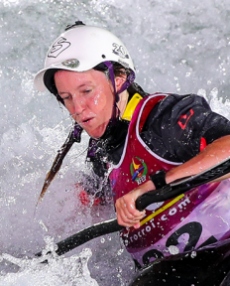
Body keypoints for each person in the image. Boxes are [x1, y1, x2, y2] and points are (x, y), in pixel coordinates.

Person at [34, 21, 230, 284]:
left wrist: (155, 184)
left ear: (118, 80)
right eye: (66, 97)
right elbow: (91, 203)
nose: (77, 108)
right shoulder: (99, 153)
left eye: (87, 91)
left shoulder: (164, 118)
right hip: (170, 270)